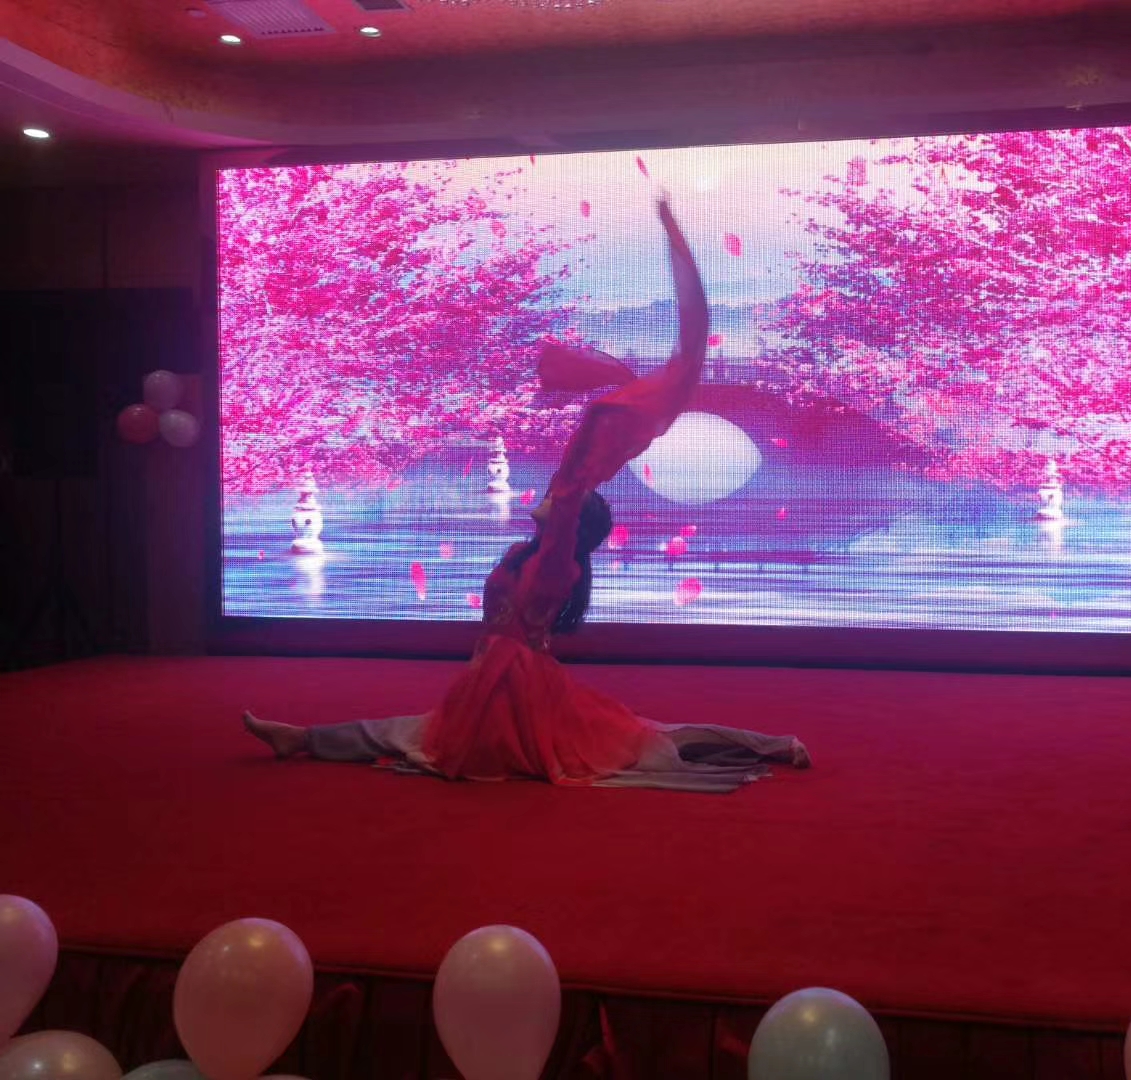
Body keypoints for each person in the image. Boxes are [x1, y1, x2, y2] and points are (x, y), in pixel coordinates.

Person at [243, 198, 809, 793]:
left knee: (647, 738)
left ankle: (775, 744)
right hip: (489, 680)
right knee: (406, 731)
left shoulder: (557, 562)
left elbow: (569, 494)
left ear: (572, 522)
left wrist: (595, 438)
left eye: (564, 504)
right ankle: (299, 738)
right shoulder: (533, 555)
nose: (550, 496)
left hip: (516, 689)